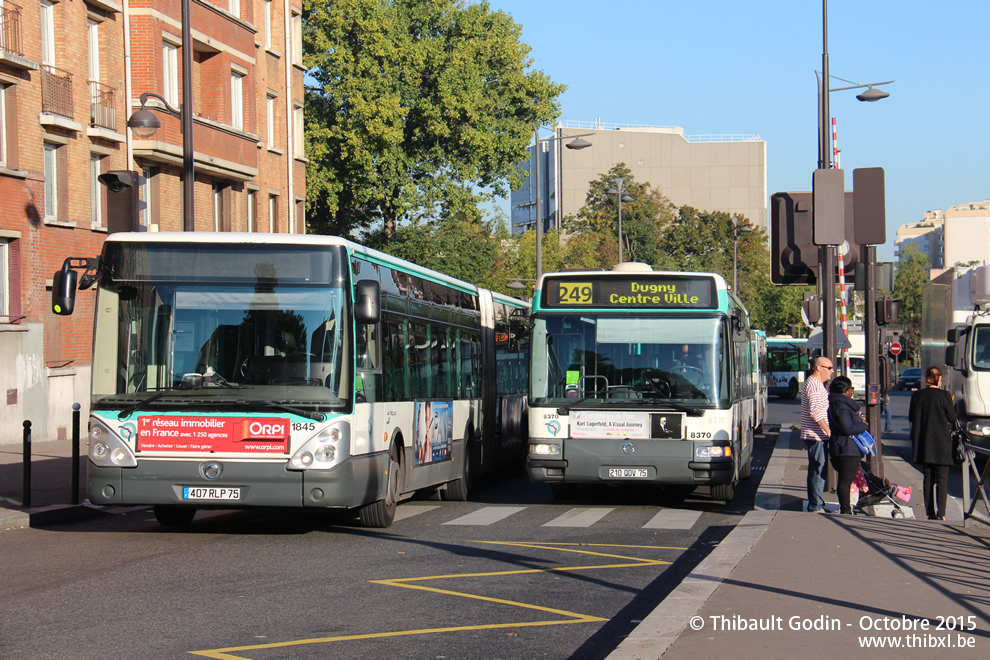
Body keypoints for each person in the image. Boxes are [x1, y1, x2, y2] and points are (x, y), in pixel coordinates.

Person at [909, 366, 957, 520]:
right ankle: (941, 513)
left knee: (928, 478)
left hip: (924, 441)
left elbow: (912, 416)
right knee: (942, 478)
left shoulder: (918, 395)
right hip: (941, 441)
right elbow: (952, 416)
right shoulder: (944, 395)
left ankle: (930, 512)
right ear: (939, 379)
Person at [826, 376, 869, 515]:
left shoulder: (835, 404)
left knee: (845, 479)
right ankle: (846, 510)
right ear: (845, 391)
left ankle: (846, 508)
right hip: (847, 448)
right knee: (846, 480)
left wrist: (857, 420)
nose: (852, 392)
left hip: (840, 447)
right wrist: (862, 426)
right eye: (851, 389)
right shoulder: (842, 406)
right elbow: (848, 429)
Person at [800, 355, 833, 512]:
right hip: (816, 434)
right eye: (829, 368)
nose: (832, 372)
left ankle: (817, 502)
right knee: (818, 468)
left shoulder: (817, 384)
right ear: (819, 368)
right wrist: (827, 429)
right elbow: (815, 411)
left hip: (817, 434)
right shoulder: (814, 385)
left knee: (818, 468)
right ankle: (815, 505)